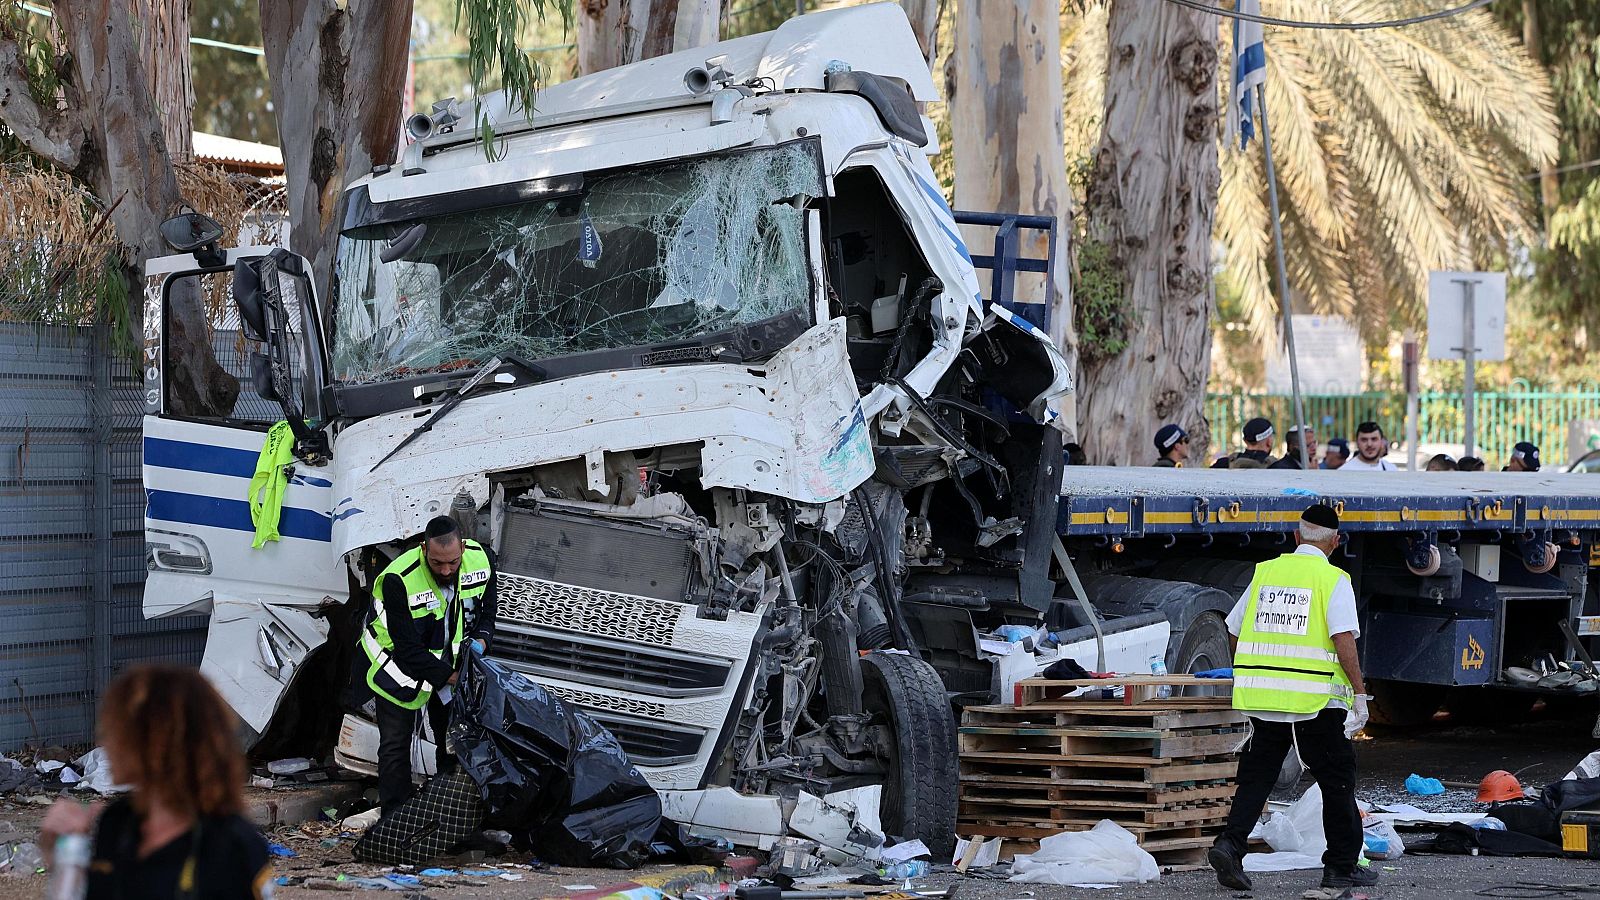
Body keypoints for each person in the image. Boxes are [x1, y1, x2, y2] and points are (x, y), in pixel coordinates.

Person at [1209, 504, 1373, 893]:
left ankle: (1230, 845)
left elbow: (1233, 629)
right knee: (1337, 780)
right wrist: (1360, 693)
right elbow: (1343, 639)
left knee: (1257, 776)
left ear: (1296, 537)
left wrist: (1257, 670)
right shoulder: (1333, 579)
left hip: (1263, 699)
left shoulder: (1266, 572)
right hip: (1313, 702)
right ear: (1335, 541)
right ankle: (1339, 868)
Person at [40, 665, 273, 898]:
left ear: (157, 741)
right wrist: (63, 858)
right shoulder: (116, 823)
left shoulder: (234, 847)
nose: (105, 740)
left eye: (117, 729)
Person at [354, 515, 499, 816]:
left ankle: (452, 818)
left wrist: (482, 641)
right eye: (437, 564)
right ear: (424, 549)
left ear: (462, 549)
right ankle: (396, 819)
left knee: (453, 742)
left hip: (449, 662)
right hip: (396, 665)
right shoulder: (399, 579)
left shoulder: (482, 560)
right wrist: (454, 676)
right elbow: (407, 650)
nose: (446, 570)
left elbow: (488, 612)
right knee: (395, 744)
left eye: (452, 563)